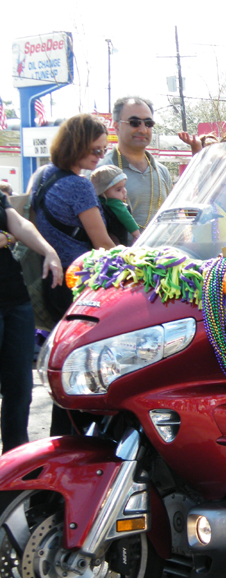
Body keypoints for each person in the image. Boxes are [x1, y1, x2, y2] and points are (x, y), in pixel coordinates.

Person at [33, 114, 116, 437]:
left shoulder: (43, 176)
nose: (99, 157)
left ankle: (61, 434)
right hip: (80, 284)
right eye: (94, 150)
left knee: (64, 359)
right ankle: (78, 438)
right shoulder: (79, 185)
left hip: (51, 279)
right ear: (76, 145)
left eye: (103, 151)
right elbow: (102, 243)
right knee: (83, 365)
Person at [1, 189, 61, 452]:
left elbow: (19, 224)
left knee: (20, 388)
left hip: (15, 298)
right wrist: (7, 236)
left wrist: (49, 252)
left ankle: (14, 461)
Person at [98, 97, 173, 229]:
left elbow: (172, 217)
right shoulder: (100, 170)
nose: (143, 130)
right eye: (134, 123)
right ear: (116, 127)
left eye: (148, 123)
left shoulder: (162, 171)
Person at [90, 165, 141, 245]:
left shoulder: (93, 202)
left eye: (124, 187)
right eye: (118, 189)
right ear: (103, 192)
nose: (124, 191)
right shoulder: (115, 203)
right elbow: (126, 217)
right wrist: (136, 234)